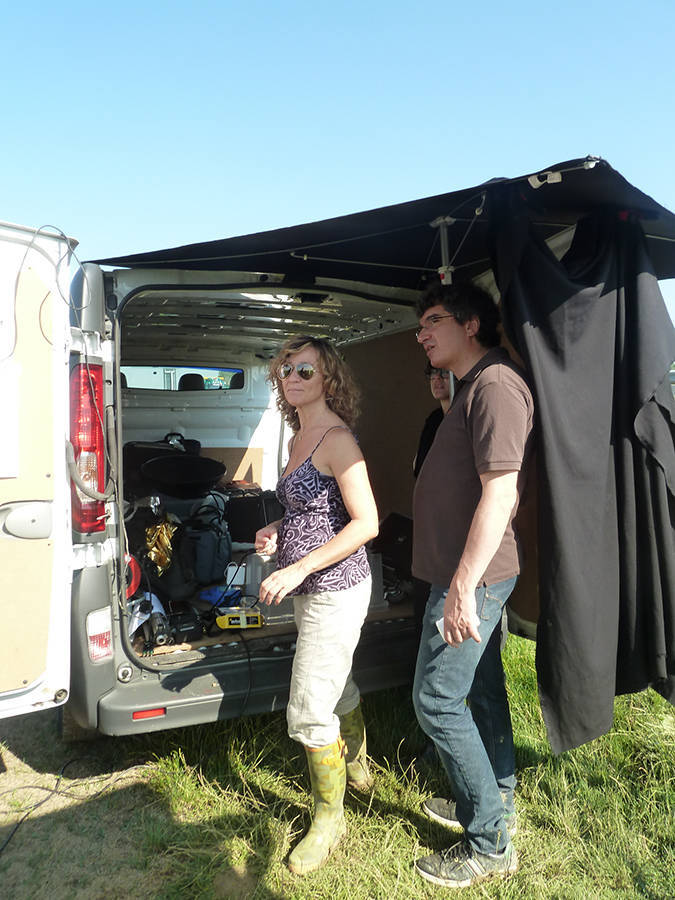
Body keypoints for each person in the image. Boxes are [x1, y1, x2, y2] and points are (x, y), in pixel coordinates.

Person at [411, 281, 534, 889]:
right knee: (480, 689)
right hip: (462, 573)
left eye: (433, 320)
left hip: (474, 578)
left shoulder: (496, 385)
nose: (422, 334)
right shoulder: (470, 387)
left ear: (471, 324)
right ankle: (497, 794)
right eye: (420, 326)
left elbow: (501, 491)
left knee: (436, 700)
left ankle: (489, 843)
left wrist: (462, 585)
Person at [254, 335, 379, 876]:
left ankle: (330, 820)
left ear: (329, 378)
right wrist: (276, 530)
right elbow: (312, 512)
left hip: (337, 588)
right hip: (309, 588)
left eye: (305, 369)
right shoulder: (297, 436)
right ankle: (360, 768)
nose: (292, 377)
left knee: (308, 707)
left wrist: (298, 567)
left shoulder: (337, 439)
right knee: (335, 681)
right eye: (286, 369)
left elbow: (366, 522)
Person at [412, 363, 451, 478]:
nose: (437, 378)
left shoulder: (465, 415)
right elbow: (419, 465)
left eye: (444, 372)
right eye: (433, 373)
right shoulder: (434, 419)